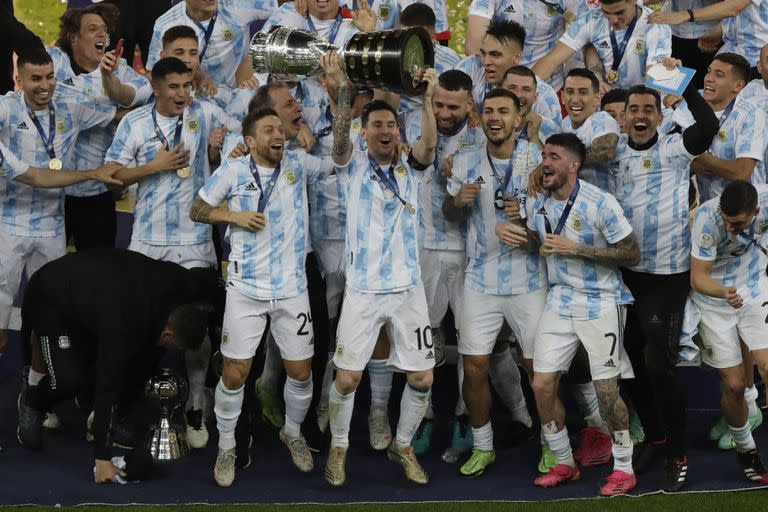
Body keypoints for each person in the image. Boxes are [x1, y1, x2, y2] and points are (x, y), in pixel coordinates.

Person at [105, 56, 240, 450]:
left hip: (195, 242)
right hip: (146, 242)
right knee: (137, 327)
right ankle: (124, 407)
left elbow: (245, 131)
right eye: (175, 87)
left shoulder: (205, 113)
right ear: (157, 87)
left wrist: (221, 150)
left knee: (196, 327)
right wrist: (154, 166)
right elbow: (111, 177)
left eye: (187, 85)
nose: (183, 94)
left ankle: (196, 403)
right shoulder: (134, 123)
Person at [323, 66, 439, 486]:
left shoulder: (412, 167)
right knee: (349, 377)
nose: (385, 130)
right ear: (364, 131)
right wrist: (341, 96)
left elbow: (428, 145)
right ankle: (339, 447)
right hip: (364, 289)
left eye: (391, 124)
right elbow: (338, 142)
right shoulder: (350, 166)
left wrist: (426, 100)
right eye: (376, 125)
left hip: (408, 288)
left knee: (423, 376)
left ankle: (402, 445)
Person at [15, 249, 219, 484]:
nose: (176, 352)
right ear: (168, 332)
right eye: (178, 347)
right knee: (69, 380)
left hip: (94, 294)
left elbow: (213, 285)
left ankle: (113, 416)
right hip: (52, 294)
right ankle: (32, 400)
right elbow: (107, 383)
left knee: (146, 352)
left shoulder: (183, 283)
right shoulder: (124, 324)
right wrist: (102, 460)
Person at [517, 133, 641, 496]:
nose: (545, 162)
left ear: (573, 165)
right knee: (541, 384)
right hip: (559, 300)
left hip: (601, 301)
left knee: (605, 390)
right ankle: (563, 462)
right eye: (543, 155)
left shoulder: (600, 203)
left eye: (553, 156)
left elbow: (631, 254)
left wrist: (578, 250)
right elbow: (540, 240)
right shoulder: (538, 199)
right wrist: (515, 234)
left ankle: (623, 468)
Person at [613, 83, 718, 492]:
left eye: (647, 109)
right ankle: (655, 436)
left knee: (659, 363)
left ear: (659, 116)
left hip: (668, 275)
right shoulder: (613, 152)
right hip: (624, 274)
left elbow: (707, 125)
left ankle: (677, 451)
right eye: (633, 109)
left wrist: (685, 88)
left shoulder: (674, 150)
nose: (640, 115)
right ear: (623, 118)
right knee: (632, 362)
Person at [442, 88, 543, 477]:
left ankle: (554, 445)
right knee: (475, 366)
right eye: (489, 111)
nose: (495, 117)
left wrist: (528, 224)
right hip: (480, 281)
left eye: (504, 110)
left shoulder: (537, 159)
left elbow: (553, 222)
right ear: (481, 117)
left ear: (519, 118)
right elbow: (450, 213)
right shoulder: (466, 161)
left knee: (539, 369)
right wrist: (459, 201)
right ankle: (483, 447)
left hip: (528, 279)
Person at [0, 49, 117, 346]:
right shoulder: (6, 109)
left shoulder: (70, 107)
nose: (45, 85)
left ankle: (38, 382)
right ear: (19, 79)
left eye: (50, 77)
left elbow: (118, 112)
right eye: (35, 78)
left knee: (52, 318)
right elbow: (37, 177)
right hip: (8, 227)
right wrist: (93, 173)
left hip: (53, 229)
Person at [49, 3, 153, 250]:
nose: (102, 35)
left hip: (97, 192)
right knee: (51, 271)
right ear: (74, 38)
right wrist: (113, 114)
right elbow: (57, 107)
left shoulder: (121, 69)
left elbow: (130, 97)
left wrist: (109, 78)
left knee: (96, 275)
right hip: (52, 190)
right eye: (92, 29)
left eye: (104, 30)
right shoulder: (53, 61)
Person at [690, 180, 768, 485]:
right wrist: (724, 293)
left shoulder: (764, 199)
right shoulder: (708, 221)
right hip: (714, 298)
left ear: (756, 212)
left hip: (754, 287)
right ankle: (747, 452)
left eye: (736, 224)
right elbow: (698, 277)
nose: (730, 228)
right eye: (727, 220)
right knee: (734, 386)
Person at [533, 0, 674, 92]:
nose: (613, 20)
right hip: (605, 103)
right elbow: (551, 60)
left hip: (640, 102)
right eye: (606, 12)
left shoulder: (656, 26)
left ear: (633, 1)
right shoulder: (590, 19)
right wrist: (521, 90)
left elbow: (654, 82)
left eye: (619, 12)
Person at [147, 0, 276, 89]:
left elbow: (286, 4)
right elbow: (154, 73)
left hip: (240, 95)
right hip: (197, 101)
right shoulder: (164, 25)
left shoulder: (237, 5)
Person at [465, 0, 588, 91]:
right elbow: (474, 46)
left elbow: (587, 32)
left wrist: (520, 86)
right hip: (495, 90)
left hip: (546, 88)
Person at [457, 19, 562, 123]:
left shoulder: (544, 97)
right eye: (484, 53)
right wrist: (470, 108)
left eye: (495, 55)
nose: (486, 61)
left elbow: (555, 138)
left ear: (516, 58)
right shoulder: (472, 67)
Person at [649, 0, 768, 77]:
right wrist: (717, 33)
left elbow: (734, 7)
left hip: (755, 59)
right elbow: (739, 13)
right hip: (729, 53)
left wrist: (686, 15)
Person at [560, 69, 621, 194]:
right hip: (577, 201)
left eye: (583, 92)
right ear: (562, 97)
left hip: (603, 205)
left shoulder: (601, 119)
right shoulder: (565, 123)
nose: (575, 99)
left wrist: (560, 161)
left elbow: (606, 151)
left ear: (597, 98)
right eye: (570, 92)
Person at [501, 66, 561, 149]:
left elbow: (552, 162)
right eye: (512, 88)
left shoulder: (550, 129)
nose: (518, 95)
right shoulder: (488, 124)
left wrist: (534, 138)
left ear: (535, 97)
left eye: (526, 89)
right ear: (500, 93)